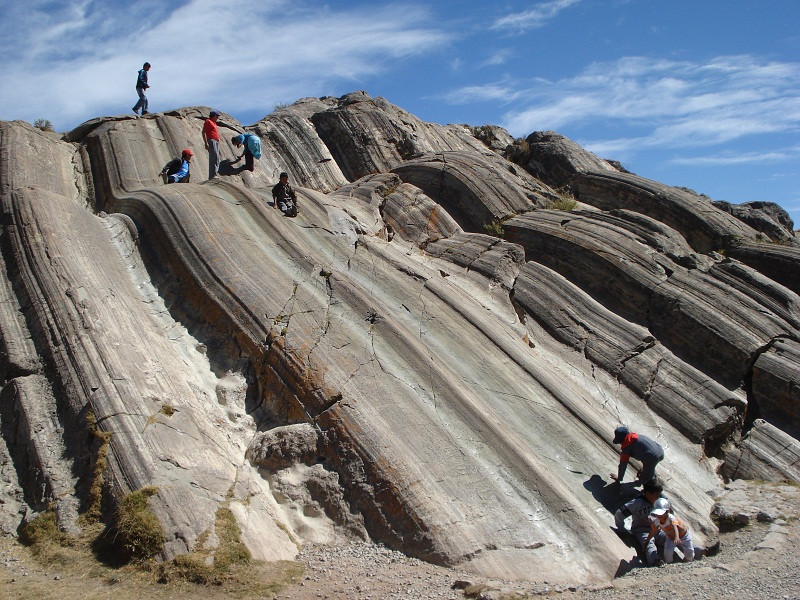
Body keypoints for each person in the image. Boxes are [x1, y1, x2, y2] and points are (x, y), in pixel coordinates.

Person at [614, 477, 668, 566]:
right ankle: (654, 561)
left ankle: (694, 551)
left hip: (658, 530)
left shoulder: (659, 501)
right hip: (642, 530)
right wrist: (621, 529)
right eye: (656, 495)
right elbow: (620, 513)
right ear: (648, 494)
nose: (658, 497)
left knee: (673, 535)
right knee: (649, 543)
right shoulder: (637, 503)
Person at [203, 110, 221, 180]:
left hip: (216, 141)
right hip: (211, 140)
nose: (217, 118)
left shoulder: (214, 123)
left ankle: (214, 174)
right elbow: (203, 132)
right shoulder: (208, 121)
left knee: (216, 158)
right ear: (213, 116)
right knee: (214, 157)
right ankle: (212, 175)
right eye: (216, 116)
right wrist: (206, 143)